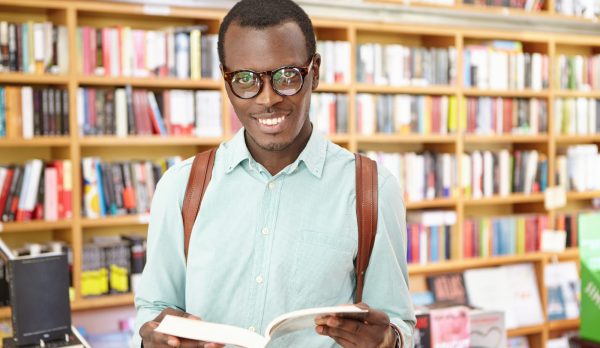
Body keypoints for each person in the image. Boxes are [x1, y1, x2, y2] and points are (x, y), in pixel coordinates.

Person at [133, 0, 416, 346]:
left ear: (315, 72)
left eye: (286, 76)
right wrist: (152, 340)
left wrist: (390, 341)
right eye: (245, 79)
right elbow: (153, 311)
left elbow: (398, 322)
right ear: (226, 79)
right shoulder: (181, 188)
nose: (267, 99)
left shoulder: (371, 190)